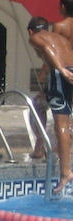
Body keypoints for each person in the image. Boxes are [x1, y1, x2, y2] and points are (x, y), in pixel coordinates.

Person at [27, 15, 73, 194]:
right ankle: (40, 146)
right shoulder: (61, 39)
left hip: (61, 74)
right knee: (38, 103)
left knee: (61, 124)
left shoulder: (35, 37)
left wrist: (60, 69)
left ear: (31, 31)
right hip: (70, 72)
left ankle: (65, 172)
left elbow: (46, 49)